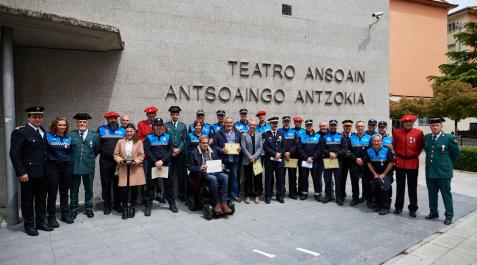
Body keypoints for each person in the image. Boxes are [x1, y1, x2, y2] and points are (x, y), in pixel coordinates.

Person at [10, 106, 53, 236]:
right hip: (28, 173)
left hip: (43, 172)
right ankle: (29, 225)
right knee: (28, 200)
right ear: (29, 117)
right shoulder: (21, 132)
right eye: (35, 117)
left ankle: (40, 222)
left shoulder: (42, 131)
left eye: (40, 117)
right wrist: (21, 172)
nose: (37, 119)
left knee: (41, 199)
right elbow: (14, 154)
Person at [424, 117, 460, 225]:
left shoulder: (449, 138)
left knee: (446, 194)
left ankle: (449, 215)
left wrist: (447, 165)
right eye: (433, 125)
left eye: (437, 125)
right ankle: (433, 212)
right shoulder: (427, 138)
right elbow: (427, 151)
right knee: (432, 193)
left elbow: (456, 154)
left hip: (443, 172)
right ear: (430, 126)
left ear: (441, 126)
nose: (435, 127)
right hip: (430, 171)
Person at [188, 135, 232, 214]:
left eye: (207, 143)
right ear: (200, 143)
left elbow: (218, 161)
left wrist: (222, 166)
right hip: (202, 175)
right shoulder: (193, 152)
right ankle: (217, 203)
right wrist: (199, 168)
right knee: (212, 178)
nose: (205, 145)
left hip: (215, 172)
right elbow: (190, 167)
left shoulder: (213, 150)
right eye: (203, 143)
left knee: (225, 176)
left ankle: (224, 203)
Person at [143, 118, 177, 215]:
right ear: (153, 127)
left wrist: (162, 161)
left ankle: (172, 204)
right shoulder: (148, 137)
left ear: (163, 127)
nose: (159, 127)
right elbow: (147, 151)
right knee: (150, 186)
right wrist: (155, 161)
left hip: (165, 164)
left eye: (160, 125)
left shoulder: (168, 136)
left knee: (169, 186)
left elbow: (170, 150)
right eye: (157, 125)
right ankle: (148, 206)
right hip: (152, 165)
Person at [69, 113, 100, 219]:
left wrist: (89, 159)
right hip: (75, 166)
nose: (82, 123)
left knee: (89, 189)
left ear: (87, 123)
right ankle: (73, 209)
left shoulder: (95, 136)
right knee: (74, 189)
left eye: (84, 122)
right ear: (77, 123)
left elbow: (97, 150)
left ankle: (89, 208)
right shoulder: (71, 135)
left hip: (88, 166)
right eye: (80, 122)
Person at [392, 114, 424, 217]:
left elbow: (420, 147)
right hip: (400, 162)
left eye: (410, 121)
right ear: (403, 122)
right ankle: (398, 207)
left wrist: (413, 156)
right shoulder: (396, 132)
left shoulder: (419, 133)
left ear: (413, 122)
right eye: (406, 122)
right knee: (400, 186)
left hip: (412, 163)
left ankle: (413, 208)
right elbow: (395, 146)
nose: (408, 123)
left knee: (412, 187)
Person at [45, 117, 74, 228]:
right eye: (60, 125)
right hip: (53, 167)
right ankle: (51, 216)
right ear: (55, 125)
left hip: (66, 167)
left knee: (64, 192)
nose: (62, 127)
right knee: (52, 193)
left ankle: (65, 214)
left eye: (64, 125)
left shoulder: (69, 137)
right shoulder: (48, 136)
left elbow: (71, 152)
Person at [113, 124, 146, 219]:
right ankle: (125, 209)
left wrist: (136, 161)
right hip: (123, 167)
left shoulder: (139, 142)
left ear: (134, 131)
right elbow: (116, 154)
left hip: (135, 167)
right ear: (125, 132)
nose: (129, 133)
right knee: (124, 190)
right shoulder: (120, 141)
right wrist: (120, 160)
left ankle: (132, 208)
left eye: (131, 131)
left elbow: (141, 155)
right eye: (127, 131)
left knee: (134, 189)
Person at [98, 111, 126, 215]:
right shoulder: (101, 130)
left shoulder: (123, 130)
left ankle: (117, 204)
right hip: (105, 162)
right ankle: (107, 205)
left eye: (115, 118)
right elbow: (97, 145)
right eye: (110, 118)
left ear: (117, 119)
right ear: (107, 119)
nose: (113, 120)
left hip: (119, 162)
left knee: (118, 184)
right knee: (106, 184)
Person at [214, 116, 242, 202]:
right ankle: (224, 196)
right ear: (224, 123)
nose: (229, 124)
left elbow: (241, 145)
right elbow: (215, 146)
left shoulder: (238, 133)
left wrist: (240, 148)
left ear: (233, 123)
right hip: (224, 160)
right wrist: (221, 150)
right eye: (227, 122)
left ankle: (233, 194)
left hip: (234, 159)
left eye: (230, 122)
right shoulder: (219, 133)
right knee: (224, 177)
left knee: (234, 177)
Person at [366, 134, 394, 215]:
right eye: (374, 141)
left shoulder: (387, 149)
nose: (376, 142)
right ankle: (378, 205)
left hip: (386, 173)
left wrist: (384, 174)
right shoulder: (369, 150)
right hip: (376, 173)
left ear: (381, 141)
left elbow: (391, 162)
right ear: (372, 142)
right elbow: (368, 163)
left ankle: (386, 207)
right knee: (375, 188)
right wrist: (375, 174)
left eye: (378, 141)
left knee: (384, 188)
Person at [165, 106, 188, 201]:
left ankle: (181, 194)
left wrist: (179, 149)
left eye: (176, 114)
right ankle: (168, 195)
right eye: (173, 114)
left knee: (181, 175)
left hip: (180, 155)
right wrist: (172, 150)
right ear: (171, 115)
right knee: (168, 176)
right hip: (170, 155)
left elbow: (185, 139)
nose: (175, 116)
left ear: (179, 115)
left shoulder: (183, 126)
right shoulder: (166, 125)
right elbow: (165, 139)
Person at [322, 120, 348, 205]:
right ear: (329, 126)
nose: (333, 127)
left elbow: (344, 149)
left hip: (338, 161)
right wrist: (329, 153)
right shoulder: (325, 137)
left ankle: (339, 198)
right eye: (331, 125)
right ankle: (328, 196)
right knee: (327, 179)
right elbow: (322, 148)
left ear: (336, 126)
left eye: (334, 125)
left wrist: (336, 154)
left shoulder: (341, 137)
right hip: (328, 160)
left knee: (338, 180)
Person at [297, 119, 323, 201]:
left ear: (312, 126)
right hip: (305, 161)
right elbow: (299, 149)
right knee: (304, 177)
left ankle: (317, 194)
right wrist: (306, 158)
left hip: (315, 161)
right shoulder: (301, 136)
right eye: (307, 125)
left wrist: (313, 157)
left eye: (310, 125)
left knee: (316, 178)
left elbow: (320, 149)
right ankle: (304, 193)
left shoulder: (318, 136)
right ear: (305, 126)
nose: (309, 126)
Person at [263, 117, 286, 204]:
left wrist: (279, 154)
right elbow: (265, 147)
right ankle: (268, 196)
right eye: (273, 123)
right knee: (268, 179)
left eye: (276, 123)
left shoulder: (281, 134)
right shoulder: (265, 134)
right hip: (270, 161)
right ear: (270, 124)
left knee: (280, 179)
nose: (274, 125)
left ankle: (279, 196)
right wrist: (274, 154)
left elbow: (284, 146)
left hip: (279, 161)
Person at [349, 121, 372, 206]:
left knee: (366, 182)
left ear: (364, 127)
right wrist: (356, 159)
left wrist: (363, 159)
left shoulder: (369, 138)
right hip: (354, 163)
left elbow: (370, 151)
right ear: (356, 127)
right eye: (358, 126)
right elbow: (349, 151)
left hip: (365, 164)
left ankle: (365, 197)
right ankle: (355, 198)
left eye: (362, 126)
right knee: (354, 182)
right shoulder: (351, 138)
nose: (360, 128)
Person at [241, 120, 263, 204]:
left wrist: (254, 157)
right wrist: (250, 157)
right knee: (248, 178)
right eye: (251, 125)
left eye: (254, 125)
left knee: (257, 178)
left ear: (256, 126)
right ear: (248, 125)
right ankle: (247, 196)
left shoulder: (259, 135)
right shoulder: (244, 135)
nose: (252, 126)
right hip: (247, 160)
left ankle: (257, 196)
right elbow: (243, 147)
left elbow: (260, 147)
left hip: (256, 160)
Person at [279, 116, 299, 200]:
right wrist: (284, 153)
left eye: (287, 121)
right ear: (282, 122)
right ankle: (282, 193)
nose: (286, 123)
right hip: (282, 157)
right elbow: (278, 144)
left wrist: (289, 152)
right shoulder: (279, 131)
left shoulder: (294, 132)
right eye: (285, 121)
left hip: (292, 158)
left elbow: (296, 145)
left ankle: (293, 193)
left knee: (292, 176)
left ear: (290, 122)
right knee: (281, 176)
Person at [340, 120, 354, 202]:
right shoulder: (340, 136)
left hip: (352, 161)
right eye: (346, 126)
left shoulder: (354, 135)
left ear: (351, 127)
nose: (347, 127)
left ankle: (354, 197)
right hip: (343, 161)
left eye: (349, 126)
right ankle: (342, 195)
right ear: (343, 127)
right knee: (342, 179)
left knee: (353, 180)